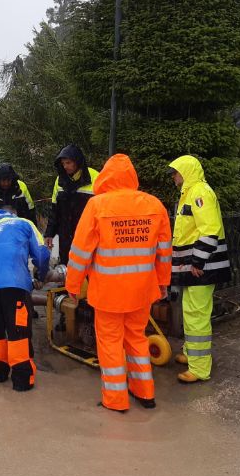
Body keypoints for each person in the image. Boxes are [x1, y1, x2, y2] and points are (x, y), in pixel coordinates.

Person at [65, 154, 172, 412]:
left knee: (110, 343)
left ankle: (115, 400)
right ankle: (145, 393)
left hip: (108, 293)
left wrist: (73, 285)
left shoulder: (97, 206)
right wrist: (163, 282)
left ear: (105, 176)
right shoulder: (154, 205)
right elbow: (165, 250)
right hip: (141, 291)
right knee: (137, 338)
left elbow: (80, 251)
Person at [168, 155, 231, 383]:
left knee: (196, 315)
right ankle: (190, 354)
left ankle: (199, 368)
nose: (173, 176)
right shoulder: (192, 192)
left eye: (175, 172)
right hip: (195, 266)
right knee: (191, 312)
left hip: (201, 267)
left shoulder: (199, 193)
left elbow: (209, 229)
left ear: (186, 172)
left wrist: (198, 262)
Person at [0, 207, 50, 391]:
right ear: (13, 214)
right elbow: (41, 252)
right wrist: (40, 276)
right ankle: (22, 380)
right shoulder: (23, 223)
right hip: (14, 284)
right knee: (18, 333)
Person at [44, 144, 99, 265]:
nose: (65, 166)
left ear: (77, 161)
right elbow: (54, 210)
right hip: (65, 236)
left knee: (89, 267)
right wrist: (49, 234)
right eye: (63, 163)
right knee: (67, 269)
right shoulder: (59, 180)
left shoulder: (95, 177)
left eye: (68, 163)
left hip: (88, 235)